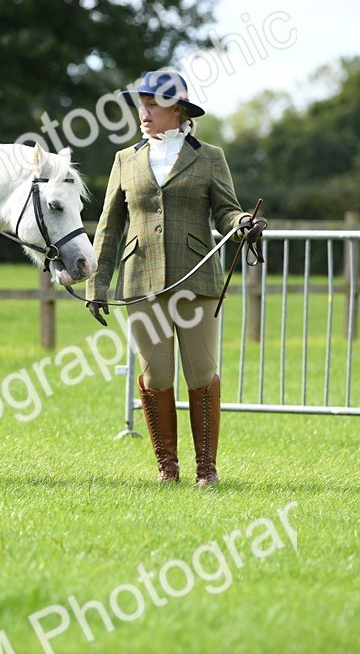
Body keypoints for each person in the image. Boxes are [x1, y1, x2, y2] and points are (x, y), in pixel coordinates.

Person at [86, 71, 265, 486]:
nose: (143, 113)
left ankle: (207, 470)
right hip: (140, 282)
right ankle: (168, 469)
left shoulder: (209, 156)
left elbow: (225, 209)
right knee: (156, 376)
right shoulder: (124, 160)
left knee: (201, 372)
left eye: (152, 104)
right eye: (141, 104)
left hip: (197, 281)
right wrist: (97, 285)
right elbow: (109, 227)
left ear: (177, 110)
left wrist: (241, 222)